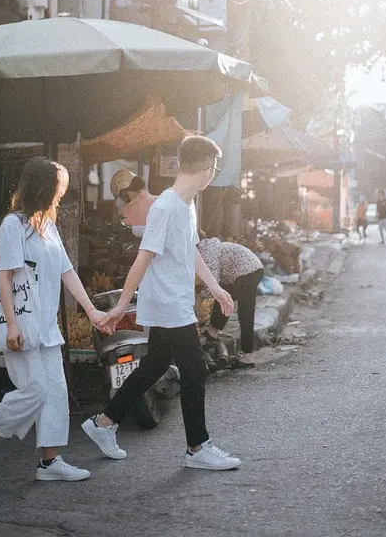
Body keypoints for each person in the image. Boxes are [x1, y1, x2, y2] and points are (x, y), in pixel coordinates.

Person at [82, 135, 241, 471]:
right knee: (195, 367)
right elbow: (143, 258)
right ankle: (198, 448)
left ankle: (104, 422)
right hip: (168, 304)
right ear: (206, 170)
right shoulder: (165, 208)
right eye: (214, 168)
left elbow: (190, 250)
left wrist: (215, 288)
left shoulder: (186, 205)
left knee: (154, 365)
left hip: (176, 300)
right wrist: (122, 305)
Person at [0, 156, 109, 483]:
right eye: (59, 186)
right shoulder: (13, 225)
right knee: (36, 391)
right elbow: (5, 278)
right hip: (23, 324)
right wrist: (12, 324)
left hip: (46, 326)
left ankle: (50, 462)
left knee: (55, 391)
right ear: (43, 186)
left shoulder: (48, 226)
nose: (62, 193)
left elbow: (67, 271)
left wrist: (91, 310)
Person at [197, 235, 264, 367]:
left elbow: (212, 283)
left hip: (246, 272)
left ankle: (247, 357)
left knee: (245, 315)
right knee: (225, 301)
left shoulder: (206, 253)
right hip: (249, 270)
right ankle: (213, 333)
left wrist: (198, 304)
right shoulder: (209, 247)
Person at [110, 168, 156, 237]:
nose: (121, 199)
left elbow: (156, 232)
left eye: (121, 196)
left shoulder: (132, 208)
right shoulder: (157, 199)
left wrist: (130, 229)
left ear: (124, 193)